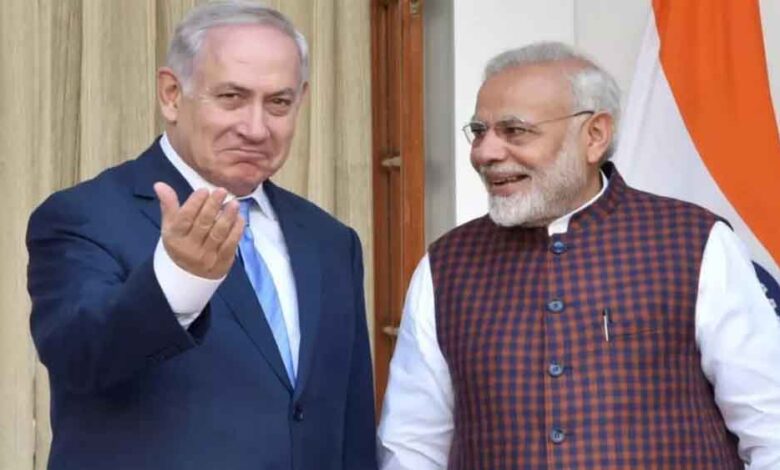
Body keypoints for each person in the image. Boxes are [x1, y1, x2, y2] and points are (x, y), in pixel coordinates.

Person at [377, 41, 780, 469]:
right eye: (479, 131)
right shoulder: (446, 265)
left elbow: (770, 425)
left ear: (594, 136)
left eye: (514, 130)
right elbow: (412, 447)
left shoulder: (695, 243)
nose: (485, 153)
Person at [26, 2, 376, 469]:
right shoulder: (84, 217)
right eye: (231, 97)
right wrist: (179, 281)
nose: (256, 128)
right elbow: (80, 357)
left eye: (278, 103)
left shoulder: (330, 241)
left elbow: (349, 424)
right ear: (172, 94)